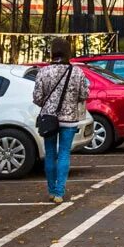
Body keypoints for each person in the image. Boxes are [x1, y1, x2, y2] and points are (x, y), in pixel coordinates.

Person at [33, 37, 90, 203]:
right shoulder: (77, 72)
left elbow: (37, 97)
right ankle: (60, 192)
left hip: (48, 118)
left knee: (50, 153)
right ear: (68, 52)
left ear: (52, 52)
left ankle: (51, 190)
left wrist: (48, 103)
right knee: (64, 153)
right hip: (69, 118)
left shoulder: (43, 72)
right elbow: (84, 95)